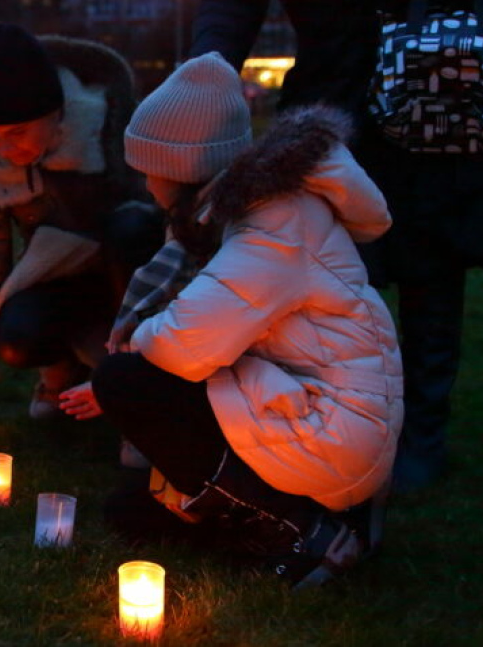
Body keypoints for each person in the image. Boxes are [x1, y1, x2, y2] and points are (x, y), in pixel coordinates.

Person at [68, 53, 403, 588]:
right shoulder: (242, 212)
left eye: (149, 167)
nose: (145, 183)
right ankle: (287, 514)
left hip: (332, 425)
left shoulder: (274, 223)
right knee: (131, 514)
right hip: (298, 395)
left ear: (181, 168)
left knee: (127, 378)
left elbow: (183, 346)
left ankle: (305, 530)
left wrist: (126, 354)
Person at [187, 0, 483, 494]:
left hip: (430, 98)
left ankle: (419, 433)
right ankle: (333, 419)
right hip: (332, 99)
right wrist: (207, 70)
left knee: (431, 270)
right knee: (318, 274)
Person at [0, 23, 163, 431]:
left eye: (17, 132)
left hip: (133, 281)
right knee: (18, 336)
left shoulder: (114, 134)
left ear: (58, 114)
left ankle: (140, 395)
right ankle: (62, 375)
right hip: (61, 283)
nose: (3, 148)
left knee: (132, 226)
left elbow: (163, 231)